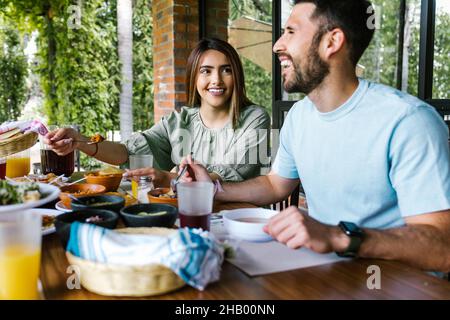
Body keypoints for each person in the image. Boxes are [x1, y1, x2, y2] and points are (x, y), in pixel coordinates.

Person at [180, 0, 450, 272]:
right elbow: (276, 185)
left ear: (331, 42)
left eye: (291, 31)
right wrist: (214, 189)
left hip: (395, 284)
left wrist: (338, 236)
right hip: (323, 273)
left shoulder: (410, 121)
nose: (277, 45)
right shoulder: (299, 116)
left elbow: (442, 247)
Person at [44, 38, 270, 187]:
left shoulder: (255, 118)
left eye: (226, 70)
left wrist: (169, 177)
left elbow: (228, 173)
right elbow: (127, 152)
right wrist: (80, 142)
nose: (216, 80)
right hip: (187, 215)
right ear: (194, 78)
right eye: (206, 71)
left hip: (239, 218)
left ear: (237, 76)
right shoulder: (179, 121)